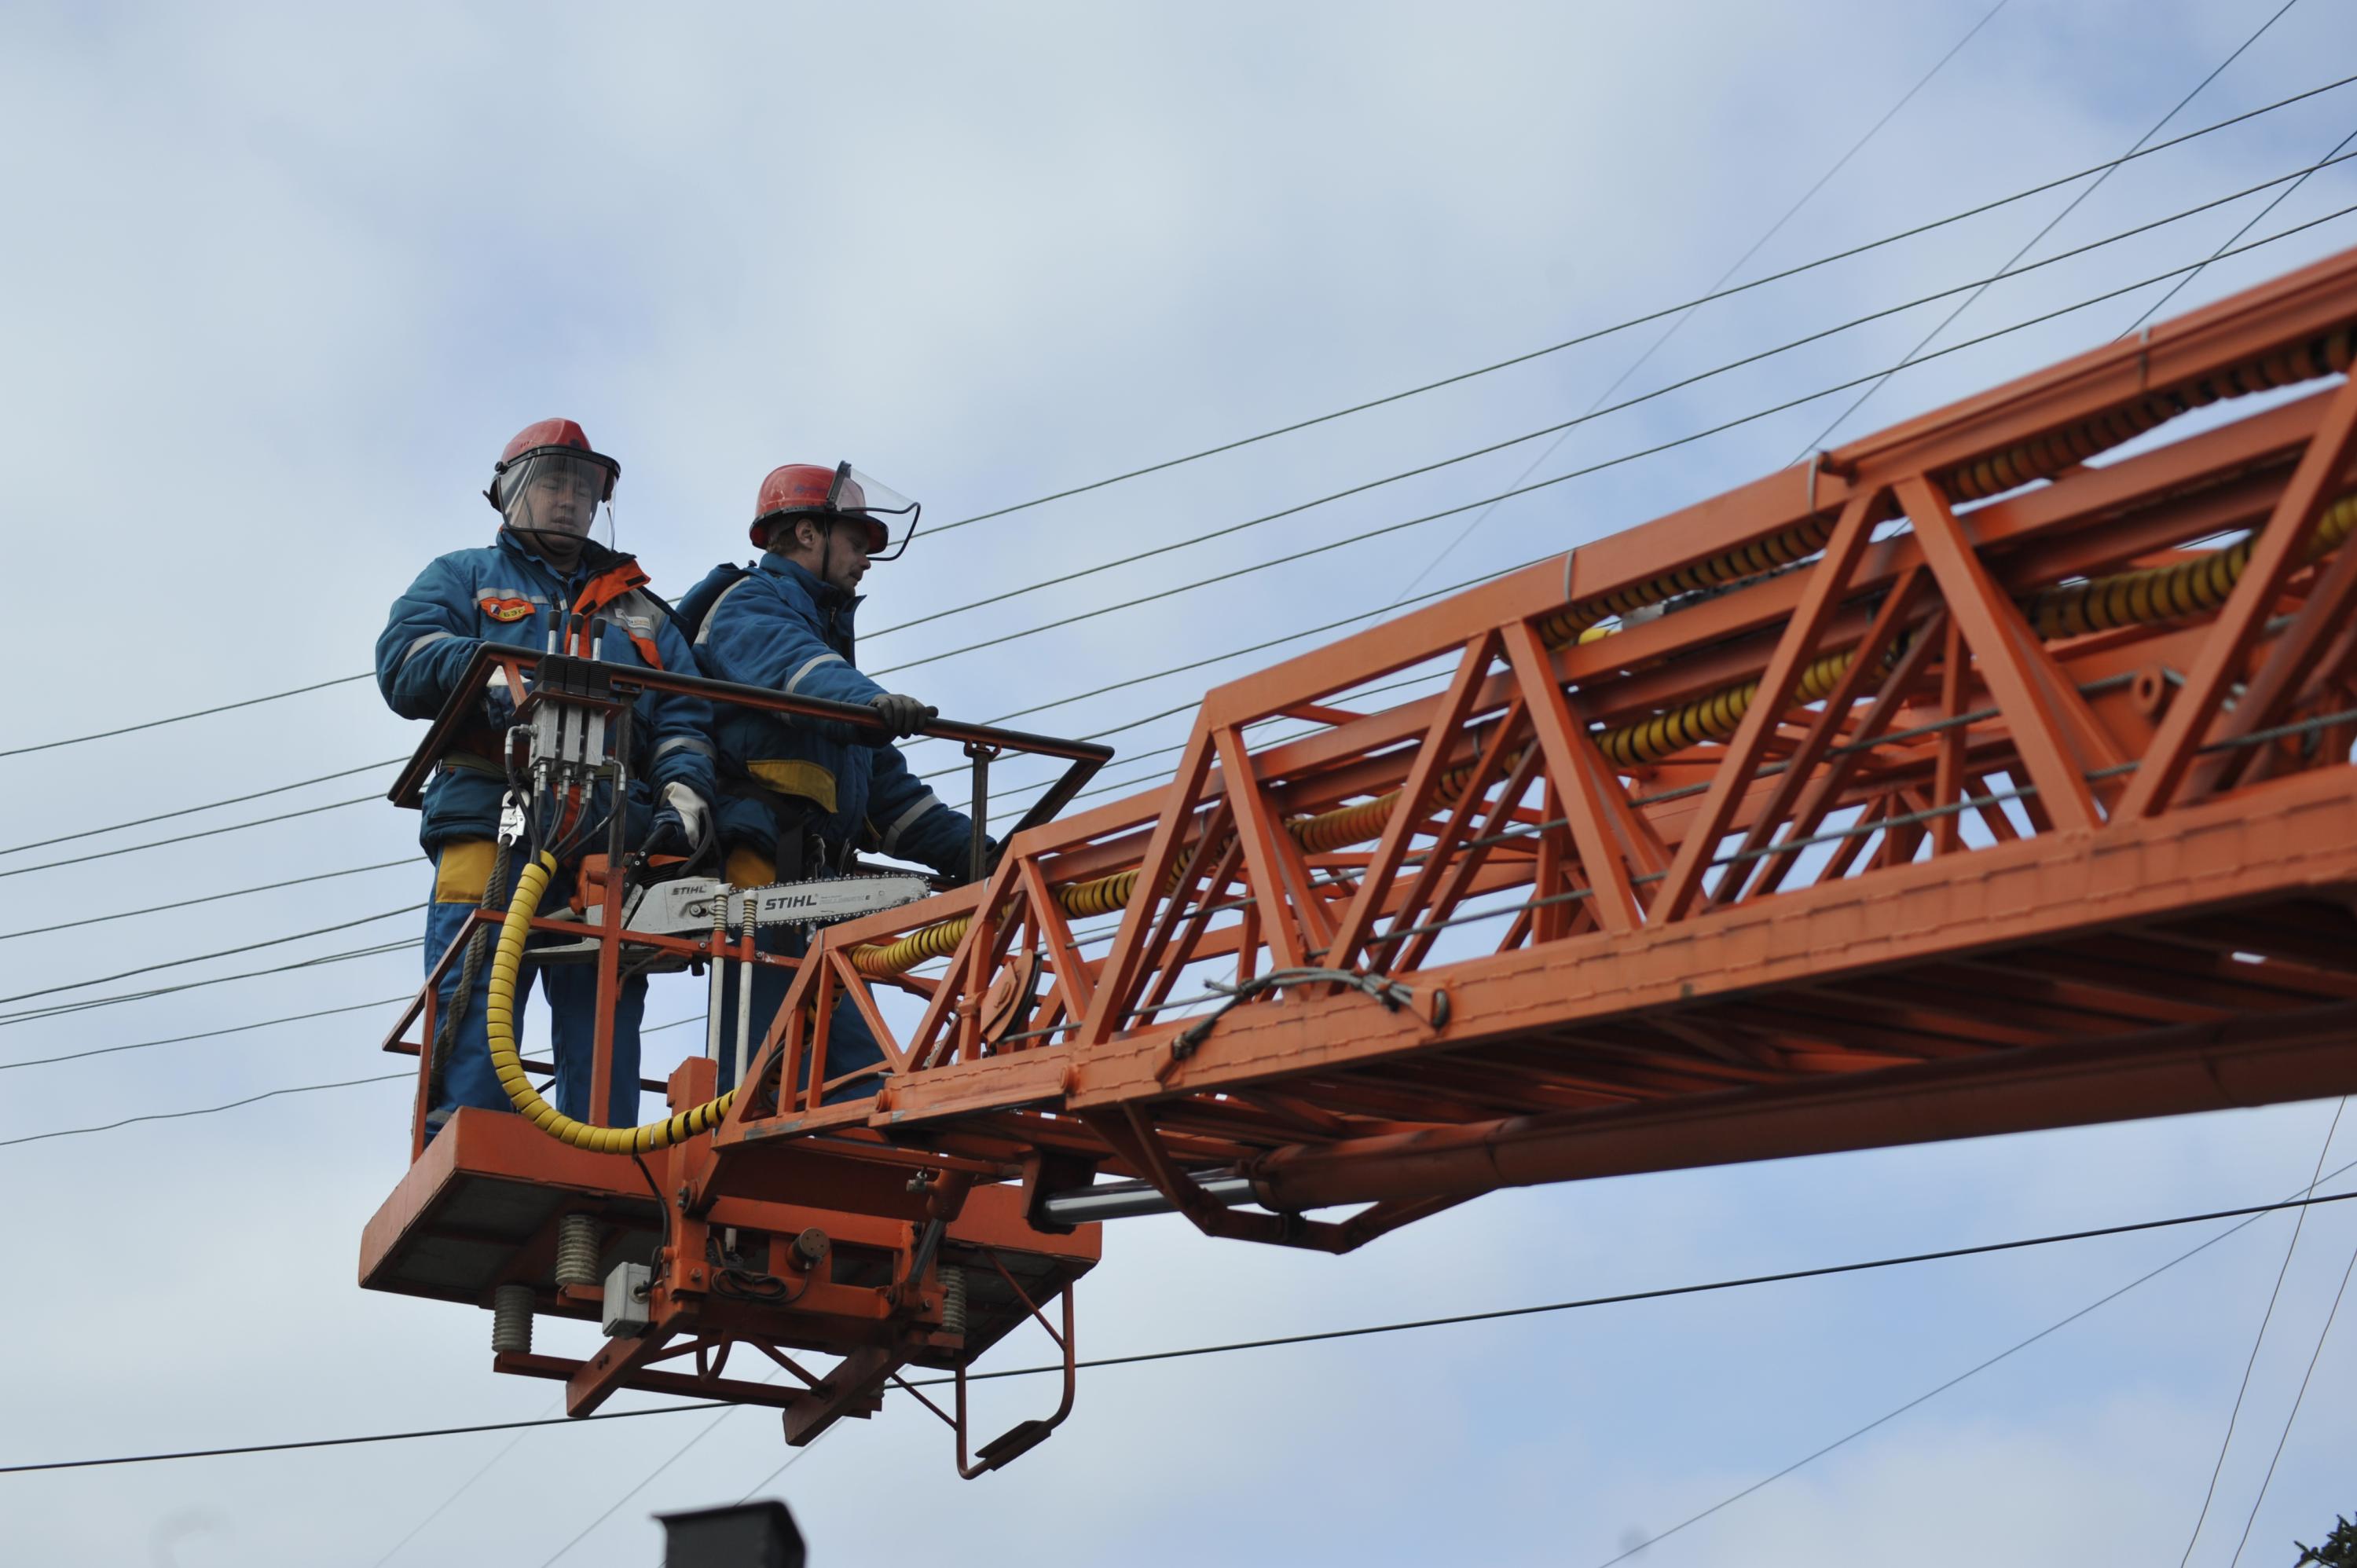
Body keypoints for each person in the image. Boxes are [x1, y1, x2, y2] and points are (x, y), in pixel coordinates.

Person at [376, 419, 716, 1138]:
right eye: (553, 482)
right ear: (509, 494)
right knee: (477, 979)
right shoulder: (464, 576)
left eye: (582, 487)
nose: (567, 499)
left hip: (611, 829)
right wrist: (491, 674)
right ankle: (467, 1134)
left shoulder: (644, 612)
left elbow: (686, 715)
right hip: (490, 813)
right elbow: (404, 661)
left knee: (605, 989)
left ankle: (602, 1150)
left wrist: (683, 798)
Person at [679, 461, 982, 1098]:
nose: (866, 560)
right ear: (807, 535)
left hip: (823, 894)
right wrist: (869, 706)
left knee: (860, 1082)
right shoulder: (750, 606)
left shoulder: (826, 641)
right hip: (759, 873)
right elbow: (796, 672)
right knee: (761, 1069)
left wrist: (983, 854)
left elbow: (891, 800)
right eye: (856, 541)